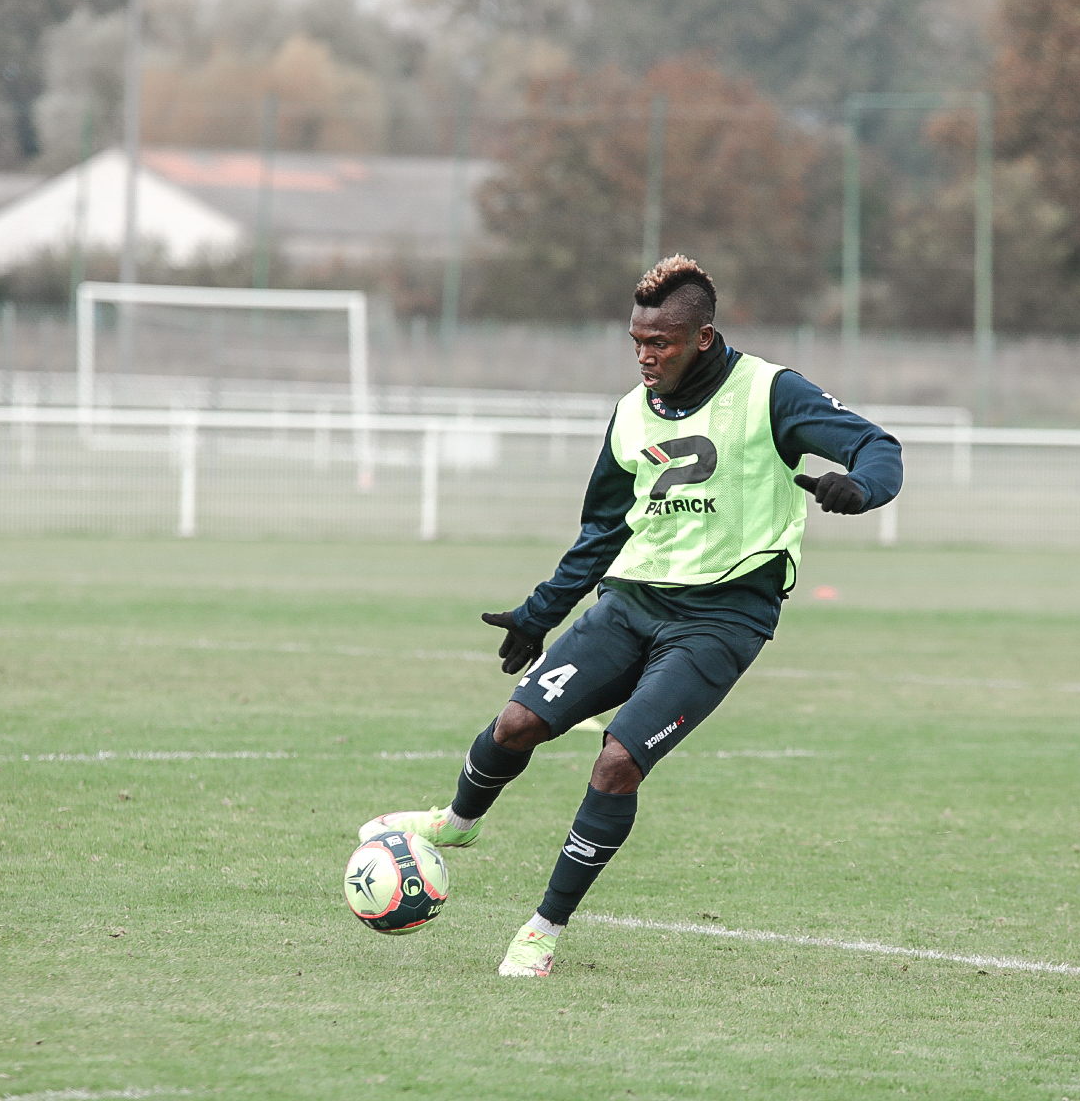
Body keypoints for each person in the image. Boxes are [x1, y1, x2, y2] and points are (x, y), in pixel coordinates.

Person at [359, 255, 904, 977]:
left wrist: (858, 487)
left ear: (702, 338)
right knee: (516, 724)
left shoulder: (769, 392)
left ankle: (543, 930)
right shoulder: (629, 414)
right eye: (638, 342)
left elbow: (879, 446)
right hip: (631, 602)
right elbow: (603, 530)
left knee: (617, 762)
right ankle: (456, 825)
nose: (647, 357)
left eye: (662, 344)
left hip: (722, 618)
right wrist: (541, 611)